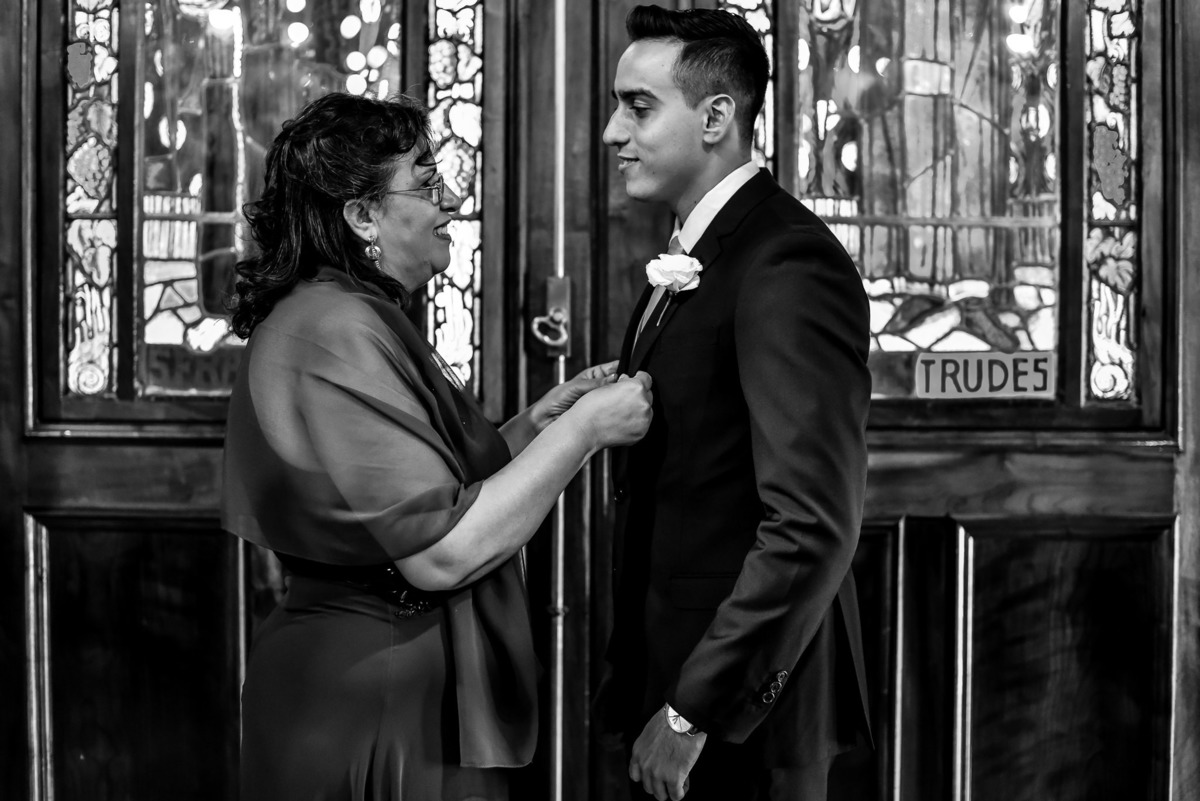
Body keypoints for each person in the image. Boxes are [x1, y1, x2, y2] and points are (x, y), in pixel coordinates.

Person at [220, 92, 653, 801]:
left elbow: (416, 489)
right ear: (362, 216)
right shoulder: (332, 327)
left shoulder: (349, 310)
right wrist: (585, 433)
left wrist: (541, 421)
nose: (450, 198)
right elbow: (439, 548)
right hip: (376, 689)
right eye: (425, 183)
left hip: (391, 673)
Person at [599, 7, 873, 801]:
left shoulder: (784, 262)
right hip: (678, 674)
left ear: (718, 115)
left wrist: (692, 713)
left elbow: (812, 523)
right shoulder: (704, 249)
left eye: (639, 106)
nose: (614, 132)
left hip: (747, 719)